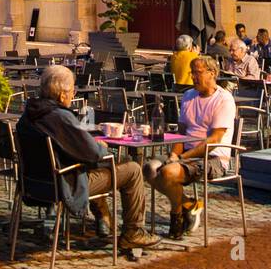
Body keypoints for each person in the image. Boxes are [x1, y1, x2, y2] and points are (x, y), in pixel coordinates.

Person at [18, 65, 160, 249]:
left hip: (34, 183)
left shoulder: (29, 114)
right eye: (72, 90)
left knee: (92, 164)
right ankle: (133, 232)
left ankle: (104, 218)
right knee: (132, 169)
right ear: (62, 94)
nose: (73, 94)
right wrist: (101, 148)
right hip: (65, 185)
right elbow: (93, 153)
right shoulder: (59, 117)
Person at [143, 56, 237, 238]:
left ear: (213, 73)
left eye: (198, 73)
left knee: (168, 172)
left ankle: (176, 217)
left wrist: (181, 158)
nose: (193, 77)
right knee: (149, 168)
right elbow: (181, 133)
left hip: (214, 158)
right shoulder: (188, 96)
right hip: (186, 154)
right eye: (192, 72)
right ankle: (189, 205)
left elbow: (214, 140)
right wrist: (174, 154)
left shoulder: (224, 100)